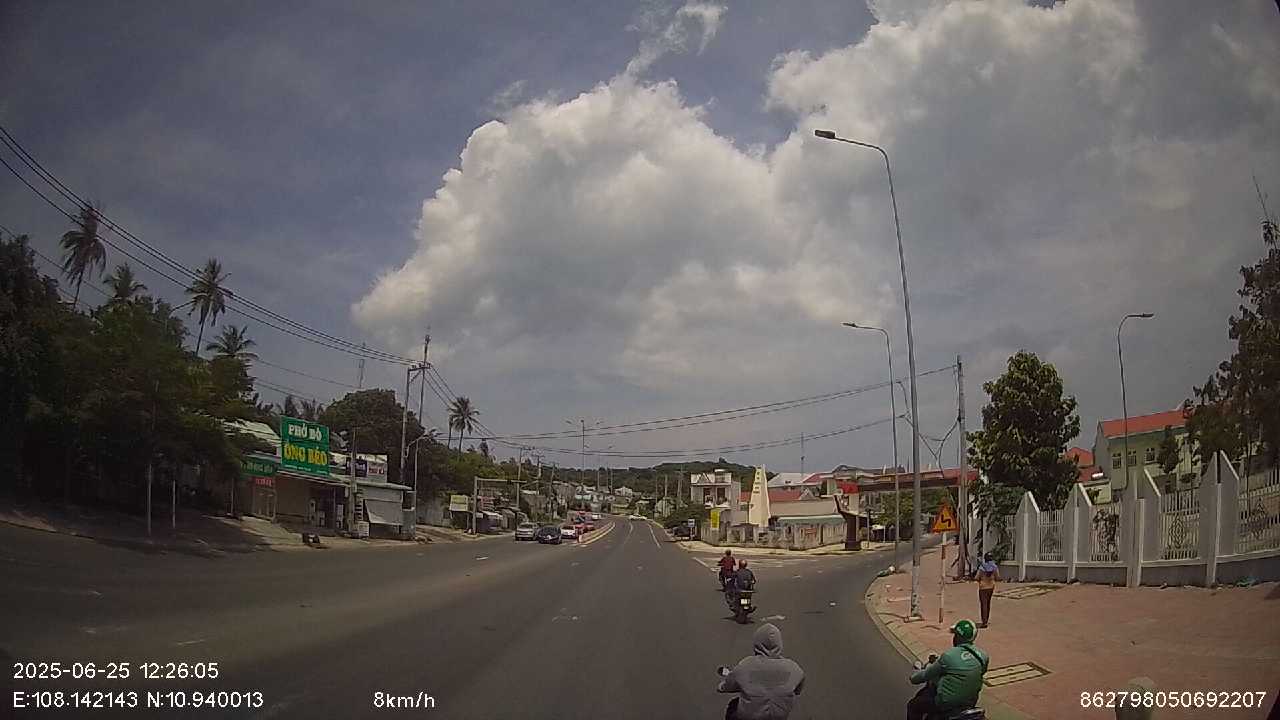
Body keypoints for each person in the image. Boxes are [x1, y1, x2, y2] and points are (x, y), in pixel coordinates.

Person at [718, 623, 805, 720]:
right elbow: (798, 690)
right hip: (780, 717)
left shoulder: (745, 665)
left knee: (733, 705)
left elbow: (728, 686)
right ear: (779, 643)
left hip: (750, 717)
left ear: (756, 643)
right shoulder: (794, 668)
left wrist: (721, 687)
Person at [907, 619, 989, 720]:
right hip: (970, 702)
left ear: (956, 637)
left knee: (913, 706)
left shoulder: (948, 656)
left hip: (945, 703)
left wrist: (913, 678)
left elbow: (924, 675)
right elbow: (979, 673)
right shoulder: (983, 656)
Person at [976, 553, 999, 628]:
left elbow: (976, 577)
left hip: (983, 587)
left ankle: (984, 622)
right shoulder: (994, 567)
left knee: (984, 604)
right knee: (988, 603)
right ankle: (986, 620)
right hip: (991, 587)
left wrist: (980, 580)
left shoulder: (982, 567)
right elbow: (997, 577)